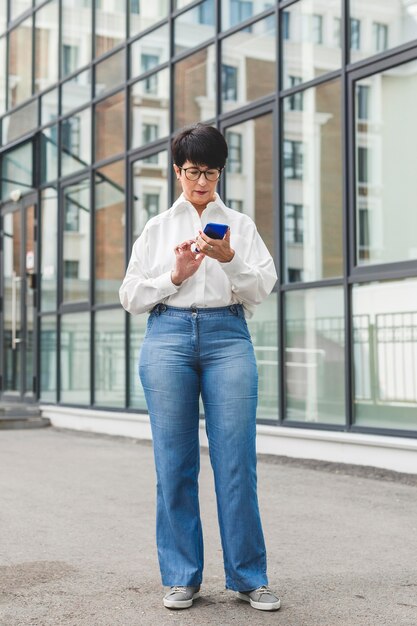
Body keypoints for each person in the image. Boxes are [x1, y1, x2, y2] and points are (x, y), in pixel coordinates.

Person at [119, 123, 280, 612]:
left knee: (236, 462)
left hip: (227, 336)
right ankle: (182, 576)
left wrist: (229, 260)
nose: (201, 182)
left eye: (210, 172)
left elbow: (261, 289)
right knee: (174, 463)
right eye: (192, 172)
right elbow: (129, 296)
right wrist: (175, 275)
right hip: (166, 337)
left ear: (221, 172)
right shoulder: (156, 228)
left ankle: (250, 577)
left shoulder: (242, 226)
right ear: (177, 171)